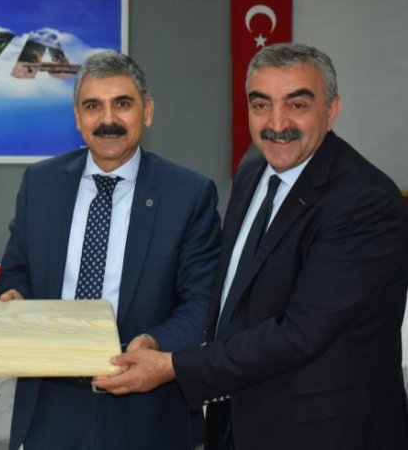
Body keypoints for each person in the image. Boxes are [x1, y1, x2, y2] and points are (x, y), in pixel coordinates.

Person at [94, 43, 408, 450]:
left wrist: (172, 365)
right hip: (238, 423)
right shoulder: (253, 171)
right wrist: (161, 340)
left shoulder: (365, 201)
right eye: (261, 105)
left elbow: (300, 333)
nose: (277, 123)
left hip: (325, 434)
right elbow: (235, 299)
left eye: (297, 105)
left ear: (331, 109)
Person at [0, 51, 222, 450]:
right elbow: (17, 269)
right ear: (77, 117)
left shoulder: (188, 194)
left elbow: (202, 302)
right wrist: (15, 297)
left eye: (122, 104)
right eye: (93, 106)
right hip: (52, 404)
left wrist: (154, 342)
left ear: (147, 111)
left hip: (146, 404)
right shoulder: (40, 183)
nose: (108, 119)